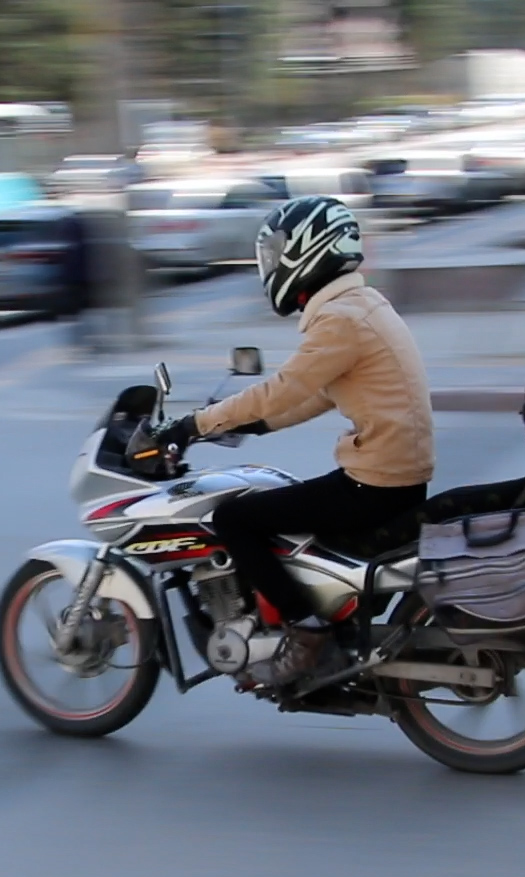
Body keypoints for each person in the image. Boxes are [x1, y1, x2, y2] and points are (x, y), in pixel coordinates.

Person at [151, 195, 434, 685]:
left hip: (375, 484)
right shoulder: (361, 305)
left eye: (278, 251)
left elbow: (283, 388)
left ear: (307, 250)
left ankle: (306, 632)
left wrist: (193, 425)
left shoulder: (341, 319)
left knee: (234, 517)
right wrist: (253, 425)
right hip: (395, 477)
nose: (272, 264)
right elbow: (318, 396)